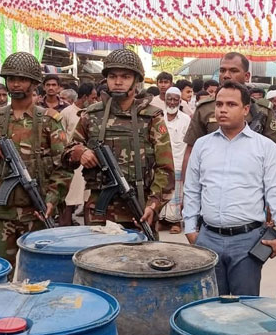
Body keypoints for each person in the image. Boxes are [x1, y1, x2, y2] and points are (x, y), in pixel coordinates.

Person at [183, 81, 276, 295]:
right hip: (207, 238)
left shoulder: (264, 147)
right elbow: (192, 189)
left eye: (231, 104)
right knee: (209, 306)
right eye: (219, 104)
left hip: (247, 241)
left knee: (246, 309)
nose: (222, 109)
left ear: (246, 110)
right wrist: (189, 228)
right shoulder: (203, 145)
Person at [0, 52, 73, 275]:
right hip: (1, 213)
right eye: (11, 79)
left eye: (21, 79)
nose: (16, 83)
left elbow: (64, 165)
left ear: (34, 83)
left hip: (37, 212)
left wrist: (51, 199)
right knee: (0, 275)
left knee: (39, 276)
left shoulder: (48, 121)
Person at [67, 48, 174, 232]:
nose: (118, 82)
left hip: (139, 210)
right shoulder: (91, 115)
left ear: (136, 81)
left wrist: (153, 205)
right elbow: (67, 153)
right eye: (113, 76)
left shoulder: (151, 118)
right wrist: (80, 152)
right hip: (99, 213)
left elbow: (166, 170)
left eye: (125, 76)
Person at [183, 53, 276, 180]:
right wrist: (187, 190)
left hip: (251, 181)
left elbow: (273, 153)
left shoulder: (262, 110)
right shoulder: (205, 109)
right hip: (212, 179)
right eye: (222, 70)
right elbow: (191, 151)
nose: (226, 75)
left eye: (233, 71)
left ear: (247, 76)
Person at [58, 82, 97, 227]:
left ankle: (89, 230)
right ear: (85, 97)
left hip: (88, 162)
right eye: (93, 98)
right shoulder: (66, 112)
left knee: (88, 199)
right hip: (72, 162)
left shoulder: (91, 114)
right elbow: (61, 138)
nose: (95, 101)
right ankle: (65, 229)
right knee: (69, 199)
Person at [158, 87, 191, 234]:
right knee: (161, 192)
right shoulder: (159, 117)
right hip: (161, 162)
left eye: (175, 99)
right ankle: (161, 220)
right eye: (169, 99)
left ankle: (176, 222)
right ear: (165, 100)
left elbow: (189, 143)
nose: (172, 102)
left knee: (177, 194)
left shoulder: (186, 119)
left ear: (180, 101)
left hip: (178, 162)